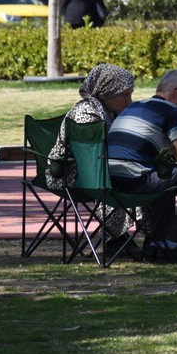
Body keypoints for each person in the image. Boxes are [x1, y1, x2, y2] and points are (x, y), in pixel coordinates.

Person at [107, 69, 177, 264]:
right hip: (136, 180)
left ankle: (156, 244)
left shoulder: (134, 106)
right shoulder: (171, 111)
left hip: (108, 182)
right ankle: (173, 244)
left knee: (165, 180)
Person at [45, 63, 139, 257]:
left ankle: (155, 241)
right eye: (125, 95)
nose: (129, 101)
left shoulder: (111, 112)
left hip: (103, 169)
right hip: (76, 175)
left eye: (131, 94)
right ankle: (117, 240)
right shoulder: (86, 114)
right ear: (107, 93)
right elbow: (92, 159)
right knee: (130, 180)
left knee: (145, 177)